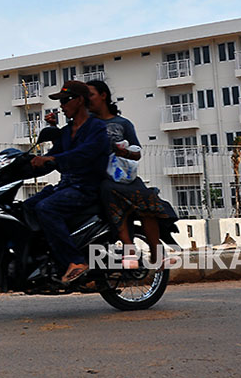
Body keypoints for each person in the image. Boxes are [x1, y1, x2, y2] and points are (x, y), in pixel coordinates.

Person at [85, 79, 178, 267]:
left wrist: (124, 152)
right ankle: (129, 250)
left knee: (148, 203)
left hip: (124, 178)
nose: (87, 100)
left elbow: (137, 153)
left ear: (103, 96)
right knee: (110, 195)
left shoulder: (123, 123)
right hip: (102, 178)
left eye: (91, 95)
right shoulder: (87, 123)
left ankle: (156, 254)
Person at [26, 80, 110, 284]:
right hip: (66, 186)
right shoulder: (66, 131)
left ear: (79, 100)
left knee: (47, 208)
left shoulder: (96, 128)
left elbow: (83, 154)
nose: (61, 106)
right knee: (27, 206)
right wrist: (24, 165)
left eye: (65, 100)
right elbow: (52, 157)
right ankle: (43, 259)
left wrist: (53, 159)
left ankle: (75, 261)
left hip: (86, 187)